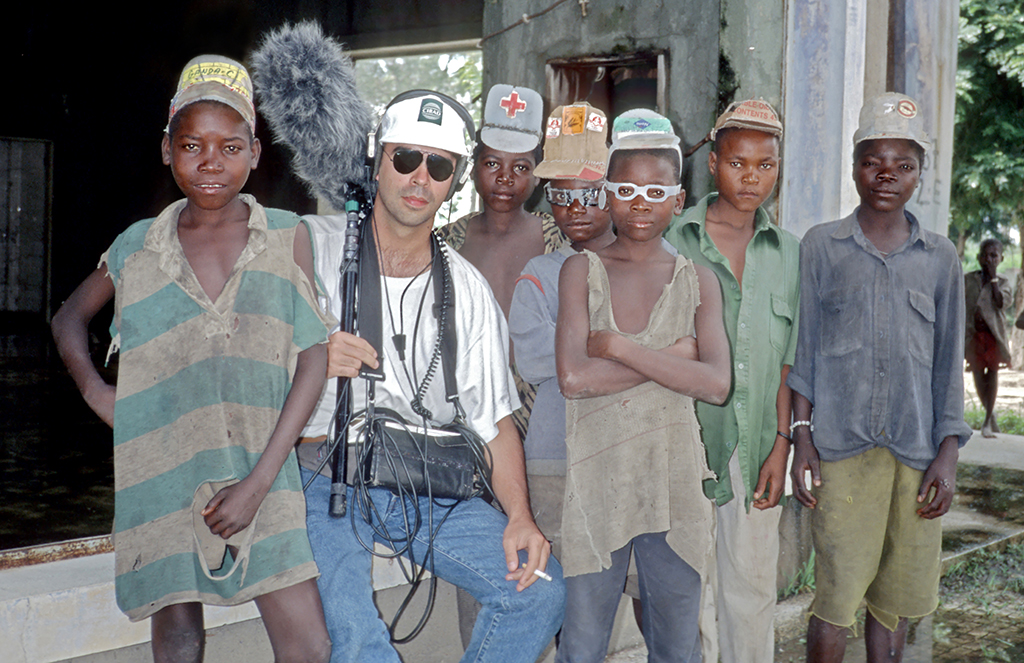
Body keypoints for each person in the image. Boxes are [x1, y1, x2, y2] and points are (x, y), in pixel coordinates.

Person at [50, 56, 334, 663]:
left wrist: (258, 483)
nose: (210, 162)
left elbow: (313, 357)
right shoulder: (136, 248)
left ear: (255, 153)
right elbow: (68, 318)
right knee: (179, 636)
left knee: (307, 644)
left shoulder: (287, 237)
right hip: (164, 470)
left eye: (230, 146)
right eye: (191, 145)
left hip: (264, 466)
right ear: (166, 150)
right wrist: (101, 395)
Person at [296, 90, 565, 663]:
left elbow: (493, 422)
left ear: (454, 181)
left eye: (439, 166)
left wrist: (519, 517)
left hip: (419, 474)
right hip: (324, 472)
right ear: (377, 159)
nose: (420, 177)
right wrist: (313, 355)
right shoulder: (314, 248)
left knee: (538, 591)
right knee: (355, 638)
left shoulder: (464, 289)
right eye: (405, 158)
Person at [787, 92, 972, 663]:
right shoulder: (823, 246)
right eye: (873, 161)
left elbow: (948, 364)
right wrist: (802, 440)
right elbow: (805, 352)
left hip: (916, 456)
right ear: (854, 166)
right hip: (841, 454)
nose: (886, 175)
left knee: (893, 605)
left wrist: (947, 455)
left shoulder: (940, 259)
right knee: (835, 600)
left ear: (919, 173)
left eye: (903, 164)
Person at [555, 109, 731, 663]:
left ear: (678, 200)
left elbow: (717, 384)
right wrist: (673, 359)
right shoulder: (581, 271)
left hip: (673, 481)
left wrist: (623, 347)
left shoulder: (698, 278)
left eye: (656, 190)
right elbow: (575, 379)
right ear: (606, 194)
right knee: (581, 642)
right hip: (596, 481)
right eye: (626, 188)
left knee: (676, 645)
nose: (639, 201)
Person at [663, 99, 799, 663]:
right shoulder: (673, 238)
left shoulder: (789, 253)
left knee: (751, 594)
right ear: (713, 163)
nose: (752, 177)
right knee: (688, 599)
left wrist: (781, 446)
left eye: (765, 165)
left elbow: (790, 361)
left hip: (757, 449)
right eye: (738, 162)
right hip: (684, 447)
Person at [508, 101, 615, 558]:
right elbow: (532, 361)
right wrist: (613, 345)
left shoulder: (646, 267)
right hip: (552, 457)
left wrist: (574, 347)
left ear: (615, 191)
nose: (574, 208)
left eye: (589, 194)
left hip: (623, 455)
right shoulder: (539, 270)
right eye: (560, 194)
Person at [437, 84, 566, 441]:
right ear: (473, 167)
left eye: (521, 166)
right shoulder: (446, 242)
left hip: (544, 406)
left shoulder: (560, 238)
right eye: (492, 163)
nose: (505, 177)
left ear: (538, 174)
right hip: (464, 405)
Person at [965, 238, 1012, 438]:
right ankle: (990, 416)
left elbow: (1001, 303)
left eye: (994, 255)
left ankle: (986, 421)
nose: (989, 259)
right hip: (973, 335)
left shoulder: (1003, 282)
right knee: (977, 374)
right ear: (978, 257)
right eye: (985, 255)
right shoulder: (968, 279)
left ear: (1001, 258)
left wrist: (993, 278)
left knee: (992, 374)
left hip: (993, 336)